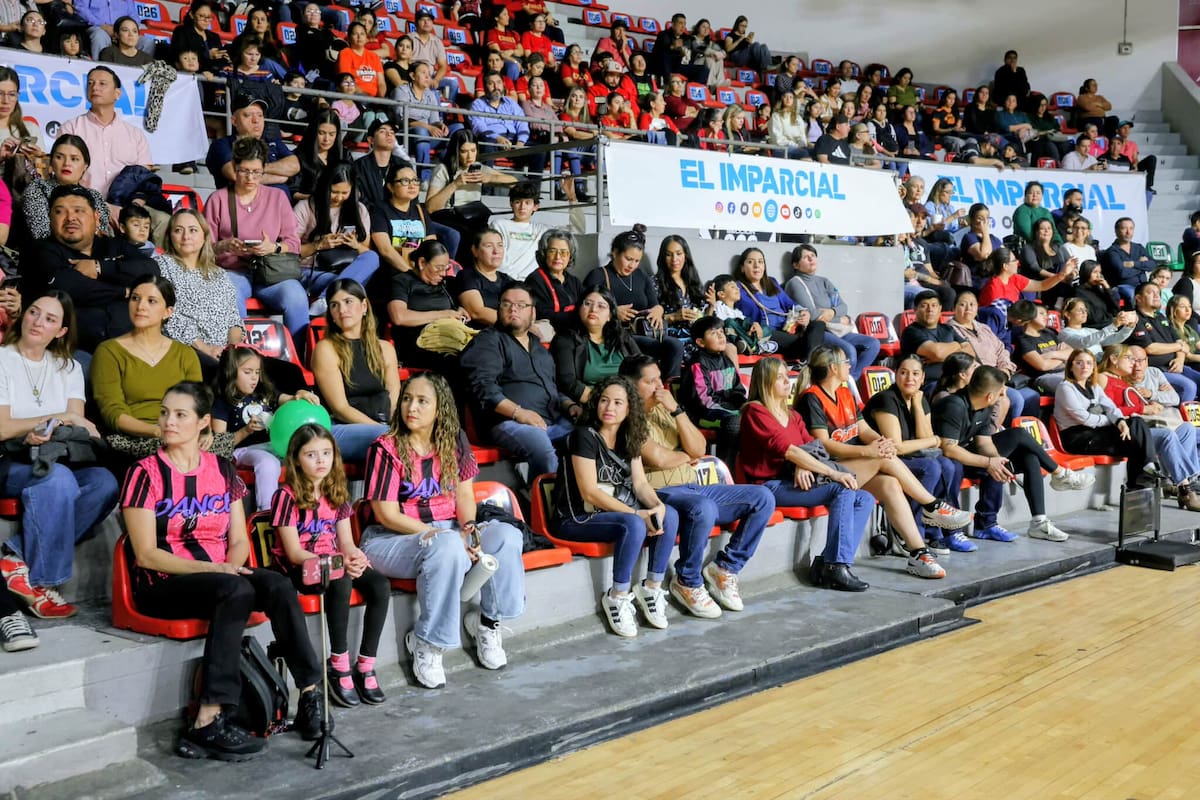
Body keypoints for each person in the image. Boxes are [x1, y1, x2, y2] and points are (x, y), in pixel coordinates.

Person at [120, 381, 324, 759]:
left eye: (180, 415)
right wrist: (214, 569)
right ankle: (208, 719)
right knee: (237, 591)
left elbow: (239, 538)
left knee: (278, 585)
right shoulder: (144, 473)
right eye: (165, 413)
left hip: (219, 573)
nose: (169, 421)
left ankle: (311, 694)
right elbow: (146, 554)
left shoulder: (222, 469)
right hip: (164, 583)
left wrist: (230, 565)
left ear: (201, 423)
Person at [362, 372, 524, 683]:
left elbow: (464, 495)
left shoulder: (454, 441)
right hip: (391, 539)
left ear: (440, 409)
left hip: (447, 529)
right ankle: (428, 642)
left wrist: (470, 529)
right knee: (447, 546)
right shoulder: (385, 448)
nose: (412, 407)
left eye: (423, 401)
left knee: (506, 535)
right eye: (408, 399)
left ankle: (488, 624)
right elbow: (386, 514)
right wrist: (443, 535)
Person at [620, 354, 774, 615]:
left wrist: (677, 411)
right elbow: (658, 457)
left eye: (660, 379)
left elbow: (700, 448)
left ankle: (725, 568)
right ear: (631, 385)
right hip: (658, 491)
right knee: (703, 507)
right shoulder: (624, 416)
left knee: (763, 497)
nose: (660, 386)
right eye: (651, 381)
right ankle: (687, 581)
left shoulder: (666, 409)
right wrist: (686, 456)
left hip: (691, 485)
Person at [797, 346, 967, 577]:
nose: (850, 365)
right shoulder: (812, 398)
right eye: (846, 362)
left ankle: (919, 553)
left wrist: (881, 442)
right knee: (882, 458)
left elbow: (863, 429)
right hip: (825, 469)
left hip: (851, 466)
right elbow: (824, 444)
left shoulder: (845, 392)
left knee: (890, 484)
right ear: (833, 368)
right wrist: (870, 451)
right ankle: (932, 506)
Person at [0, 291, 119, 619]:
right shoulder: (3, 359)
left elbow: (76, 423)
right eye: (34, 312)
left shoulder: (68, 367)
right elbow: (2, 427)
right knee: (57, 478)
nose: (38, 322)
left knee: (104, 483)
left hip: (54, 456)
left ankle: (16, 559)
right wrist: (48, 421)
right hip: (9, 462)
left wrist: (61, 423)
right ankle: (40, 583)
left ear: (62, 331)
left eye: (50, 319)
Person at [270, 423, 391, 707]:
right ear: (296, 459)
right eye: (311, 455)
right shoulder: (285, 496)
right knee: (340, 579)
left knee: (379, 585)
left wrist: (354, 557)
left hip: (332, 560)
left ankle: (365, 663)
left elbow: (346, 542)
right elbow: (294, 552)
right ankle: (338, 663)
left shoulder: (337, 493)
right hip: (301, 566)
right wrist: (335, 562)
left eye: (326, 453)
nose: (321, 460)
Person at [553, 374, 676, 636]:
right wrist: (637, 514)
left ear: (630, 408)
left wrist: (656, 506)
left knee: (669, 514)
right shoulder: (584, 436)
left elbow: (641, 484)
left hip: (610, 514)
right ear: (596, 404)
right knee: (633, 523)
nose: (610, 408)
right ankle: (617, 596)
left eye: (618, 403)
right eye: (605, 401)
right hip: (577, 518)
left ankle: (651, 589)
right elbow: (590, 493)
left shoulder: (628, 437)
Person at [739, 357, 875, 591]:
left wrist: (803, 464)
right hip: (770, 485)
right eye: (780, 377)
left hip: (796, 478)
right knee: (841, 489)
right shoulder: (755, 411)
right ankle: (837, 565)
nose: (787, 382)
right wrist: (830, 473)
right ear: (766, 381)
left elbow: (815, 447)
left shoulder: (792, 414)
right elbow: (788, 449)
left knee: (865, 498)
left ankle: (826, 562)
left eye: (786, 376)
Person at [936, 366, 1093, 543]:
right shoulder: (953, 405)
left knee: (1025, 457)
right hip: (945, 460)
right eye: (1001, 392)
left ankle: (1031, 522)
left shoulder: (983, 405)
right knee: (1016, 435)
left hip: (967, 456)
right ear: (989, 396)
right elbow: (948, 449)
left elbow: (984, 442)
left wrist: (995, 461)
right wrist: (988, 462)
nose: (1004, 395)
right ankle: (1059, 473)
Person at [22, 185, 158, 353]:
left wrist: (100, 268)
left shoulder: (115, 245)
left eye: (79, 211)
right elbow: (68, 287)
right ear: (50, 218)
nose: (70, 218)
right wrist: (124, 291)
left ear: (96, 217)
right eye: (59, 212)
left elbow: (151, 270)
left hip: (135, 344)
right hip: (73, 351)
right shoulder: (41, 250)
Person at [460, 283, 578, 477]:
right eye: (506, 304)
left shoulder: (539, 349)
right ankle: (544, 506)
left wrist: (569, 405)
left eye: (521, 305)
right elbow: (483, 387)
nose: (513, 308)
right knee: (542, 449)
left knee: (588, 438)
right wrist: (519, 413)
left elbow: (552, 388)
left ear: (533, 313)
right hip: (509, 422)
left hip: (551, 420)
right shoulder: (488, 341)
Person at [864, 355, 973, 553]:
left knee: (950, 465)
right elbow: (896, 447)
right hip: (883, 460)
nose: (909, 379)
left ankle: (933, 530)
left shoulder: (919, 399)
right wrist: (933, 440)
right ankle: (907, 530)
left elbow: (927, 439)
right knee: (930, 466)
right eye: (903, 373)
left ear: (923, 378)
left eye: (915, 374)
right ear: (895, 375)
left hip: (909, 456)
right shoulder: (886, 399)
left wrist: (916, 405)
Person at [204, 138, 306, 338]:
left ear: (264, 170)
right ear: (235, 167)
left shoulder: (277, 198)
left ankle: (300, 358)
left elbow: (294, 243)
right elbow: (203, 248)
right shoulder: (219, 199)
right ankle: (237, 355)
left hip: (271, 273)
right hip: (233, 271)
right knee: (229, 293)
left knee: (296, 296)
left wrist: (273, 247)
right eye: (244, 171)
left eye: (256, 172)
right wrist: (224, 245)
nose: (250, 178)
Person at [210, 346, 319, 511]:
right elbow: (219, 445)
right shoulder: (223, 401)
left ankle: (310, 508)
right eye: (247, 372)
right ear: (231, 373)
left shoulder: (264, 392)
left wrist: (300, 394)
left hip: (271, 446)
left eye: (257, 372)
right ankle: (268, 512)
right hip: (242, 451)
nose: (254, 378)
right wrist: (246, 430)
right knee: (268, 463)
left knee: (303, 455)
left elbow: (287, 399)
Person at [1098, 346, 1200, 510]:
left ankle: (1185, 482)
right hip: (1127, 431)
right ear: (1114, 359)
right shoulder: (1105, 378)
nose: (1135, 365)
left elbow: (1172, 398)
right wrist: (1143, 408)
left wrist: (1153, 400)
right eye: (1130, 359)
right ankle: (1186, 489)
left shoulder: (1126, 379)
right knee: (1167, 435)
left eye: (1138, 360)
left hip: (1142, 427)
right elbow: (1107, 410)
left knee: (1187, 429)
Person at [311, 279, 397, 461]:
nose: (342, 310)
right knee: (394, 442)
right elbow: (340, 408)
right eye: (335, 305)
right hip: (341, 428)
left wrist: (398, 430)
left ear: (364, 306)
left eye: (348, 302)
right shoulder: (326, 348)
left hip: (383, 427)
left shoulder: (385, 349)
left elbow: (394, 403)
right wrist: (387, 433)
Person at [584, 226, 684, 379]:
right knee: (640, 347)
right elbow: (585, 308)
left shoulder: (640, 275)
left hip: (643, 331)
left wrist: (658, 310)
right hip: (617, 334)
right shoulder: (598, 275)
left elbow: (655, 304)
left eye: (637, 261)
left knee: (675, 345)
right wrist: (613, 312)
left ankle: (667, 388)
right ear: (615, 253)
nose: (632, 265)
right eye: (628, 259)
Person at [155, 209, 244, 367]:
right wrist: (206, 349)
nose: (186, 236)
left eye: (193, 230)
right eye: (178, 230)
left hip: (222, 353)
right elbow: (166, 317)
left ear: (204, 236)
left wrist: (232, 351)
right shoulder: (161, 267)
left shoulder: (219, 274)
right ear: (170, 236)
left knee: (290, 372)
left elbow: (234, 321)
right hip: (187, 350)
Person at [1054, 350, 1157, 486]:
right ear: (1071, 367)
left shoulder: (1094, 386)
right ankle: (1142, 478)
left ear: (1093, 368)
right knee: (1135, 442)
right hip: (1078, 438)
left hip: (1098, 432)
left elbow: (1111, 408)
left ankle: (1145, 473)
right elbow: (1084, 419)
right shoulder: (1065, 388)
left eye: (1089, 363)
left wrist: (1120, 421)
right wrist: (1114, 422)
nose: (1085, 366)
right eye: (1079, 363)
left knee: (1136, 423)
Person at [784, 244, 881, 379]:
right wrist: (839, 318)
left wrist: (833, 313)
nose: (811, 259)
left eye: (813, 256)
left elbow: (843, 306)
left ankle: (851, 382)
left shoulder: (824, 281)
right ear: (795, 265)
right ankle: (846, 387)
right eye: (806, 257)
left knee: (873, 344)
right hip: (818, 332)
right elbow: (812, 314)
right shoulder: (795, 283)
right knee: (849, 351)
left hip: (836, 330)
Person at [295, 161, 380, 314]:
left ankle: (324, 300)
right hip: (311, 271)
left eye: (344, 193)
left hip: (346, 268)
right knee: (350, 287)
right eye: (334, 192)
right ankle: (328, 301)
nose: (339, 198)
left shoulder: (359, 209)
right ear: (324, 186)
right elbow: (291, 251)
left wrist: (355, 245)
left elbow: (366, 251)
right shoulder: (306, 206)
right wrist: (318, 245)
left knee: (372, 257)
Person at [58, 66, 152, 202]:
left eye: (102, 83)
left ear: (117, 94)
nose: (95, 87)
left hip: (127, 207)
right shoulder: (71, 128)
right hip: (83, 204)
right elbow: (63, 175)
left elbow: (143, 177)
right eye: (90, 83)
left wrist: (133, 208)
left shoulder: (135, 135)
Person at [948, 290, 1033, 420]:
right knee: (1014, 399)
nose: (968, 308)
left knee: (1030, 396)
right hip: (975, 381)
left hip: (998, 377)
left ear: (977, 309)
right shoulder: (948, 330)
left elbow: (1002, 350)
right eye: (962, 304)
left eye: (972, 305)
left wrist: (1004, 371)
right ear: (953, 308)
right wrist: (992, 381)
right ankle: (991, 435)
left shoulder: (984, 328)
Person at [550, 288, 641, 405]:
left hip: (629, 402)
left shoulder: (621, 337)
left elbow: (642, 369)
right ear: (579, 309)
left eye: (601, 306)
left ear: (610, 315)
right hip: (590, 404)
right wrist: (606, 405)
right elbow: (568, 383)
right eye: (587, 304)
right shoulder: (565, 340)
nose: (593, 309)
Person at [23, 133, 112, 241]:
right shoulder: (38, 188)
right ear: (51, 162)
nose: (66, 163)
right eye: (59, 157)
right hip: (51, 253)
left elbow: (102, 236)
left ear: (85, 166)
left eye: (74, 159)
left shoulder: (94, 196)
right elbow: (42, 234)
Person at [1128, 281, 1200, 403]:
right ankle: (1181, 420)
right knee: (1189, 387)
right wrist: (1179, 346)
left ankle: (1196, 420)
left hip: (1175, 365)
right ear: (1138, 298)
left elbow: (1181, 342)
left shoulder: (1161, 317)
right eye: (1151, 292)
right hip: (1155, 370)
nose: (1156, 295)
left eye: (1158, 293)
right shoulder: (1134, 319)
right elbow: (1150, 348)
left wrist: (1180, 360)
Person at [392, 60, 454, 185]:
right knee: (421, 132)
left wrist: (440, 125)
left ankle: (451, 176)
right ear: (413, 76)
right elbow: (403, 119)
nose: (428, 76)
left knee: (457, 129)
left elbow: (434, 120)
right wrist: (427, 127)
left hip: (427, 135)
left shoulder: (430, 95)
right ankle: (424, 178)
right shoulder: (402, 91)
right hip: (406, 135)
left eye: (429, 73)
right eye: (423, 73)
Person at [900, 290, 972, 385]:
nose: (930, 309)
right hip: (930, 383)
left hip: (956, 381)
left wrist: (947, 352)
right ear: (915, 309)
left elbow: (970, 352)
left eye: (934, 305)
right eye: (924, 306)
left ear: (940, 309)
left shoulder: (948, 329)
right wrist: (958, 345)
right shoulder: (911, 332)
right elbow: (937, 353)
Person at [979, 246, 1075, 310]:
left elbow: (1041, 285)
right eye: (1014, 260)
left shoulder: (1014, 278)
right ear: (1005, 266)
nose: (1018, 263)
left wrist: (1061, 274)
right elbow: (998, 314)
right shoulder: (993, 287)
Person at [350, 118, 413, 215]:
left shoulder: (404, 166)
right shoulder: (359, 166)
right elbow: (359, 198)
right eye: (382, 131)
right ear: (371, 140)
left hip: (399, 219)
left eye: (392, 132)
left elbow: (411, 197)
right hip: (370, 217)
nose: (389, 134)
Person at [1009, 300, 1070, 396]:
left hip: (1066, 371)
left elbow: (1073, 352)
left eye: (1046, 314)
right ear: (1030, 315)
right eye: (1041, 313)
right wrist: (1063, 357)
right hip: (1045, 377)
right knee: (1069, 386)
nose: (1046, 317)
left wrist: (1053, 354)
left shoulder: (1049, 332)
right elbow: (1043, 365)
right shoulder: (1024, 340)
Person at [528, 228, 583, 334]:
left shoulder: (574, 281)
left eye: (563, 253)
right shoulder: (535, 280)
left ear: (570, 256)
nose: (558, 257)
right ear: (544, 253)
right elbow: (544, 314)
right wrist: (577, 315)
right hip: (553, 336)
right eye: (552, 251)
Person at [456, 228, 513, 327]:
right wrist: (515, 324)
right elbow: (477, 312)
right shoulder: (467, 276)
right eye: (489, 246)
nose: (496, 251)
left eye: (500, 245)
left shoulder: (507, 280)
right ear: (475, 251)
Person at [1102, 217, 1155, 305]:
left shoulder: (1138, 248)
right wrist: (1142, 265)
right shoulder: (1112, 251)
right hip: (1123, 290)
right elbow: (1122, 273)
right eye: (1124, 228)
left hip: (1143, 287)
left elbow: (1152, 264)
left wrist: (1134, 264)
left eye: (1131, 228)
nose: (1128, 232)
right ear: (1116, 231)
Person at [1060, 296, 1136, 356]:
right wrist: (1113, 325)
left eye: (1085, 310)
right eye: (1080, 310)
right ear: (1067, 314)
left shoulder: (1089, 330)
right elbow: (1083, 343)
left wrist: (1129, 327)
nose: (1084, 313)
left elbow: (1114, 339)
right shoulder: (1065, 333)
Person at [650, 13, 708, 86]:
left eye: (684, 24)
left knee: (703, 69)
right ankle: (667, 85)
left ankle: (694, 88)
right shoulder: (663, 34)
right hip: (663, 64)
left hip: (679, 65)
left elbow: (695, 49)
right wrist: (672, 47)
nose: (683, 26)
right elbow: (659, 52)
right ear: (673, 24)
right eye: (680, 23)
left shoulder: (686, 38)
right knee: (666, 56)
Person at [960, 204, 1003, 287]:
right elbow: (983, 254)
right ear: (972, 220)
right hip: (978, 282)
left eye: (987, 218)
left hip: (996, 279)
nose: (984, 221)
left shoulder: (994, 238)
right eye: (980, 218)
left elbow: (1005, 256)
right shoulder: (969, 237)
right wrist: (985, 232)